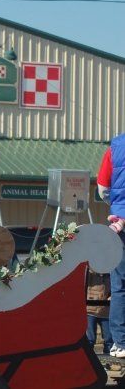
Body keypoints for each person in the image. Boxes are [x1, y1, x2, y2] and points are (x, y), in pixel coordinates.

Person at [97, 136, 125, 358]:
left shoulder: (115, 147)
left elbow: (103, 187)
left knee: (120, 286)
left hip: (120, 221)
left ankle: (120, 343)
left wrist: (117, 205)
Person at [86, 269, 113, 354]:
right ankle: (89, 362)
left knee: (109, 340)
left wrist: (112, 296)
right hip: (90, 311)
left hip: (105, 312)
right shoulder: (90, 274)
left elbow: (117, 289)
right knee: (90, 339)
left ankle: (111, 362)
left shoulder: (111, 275)